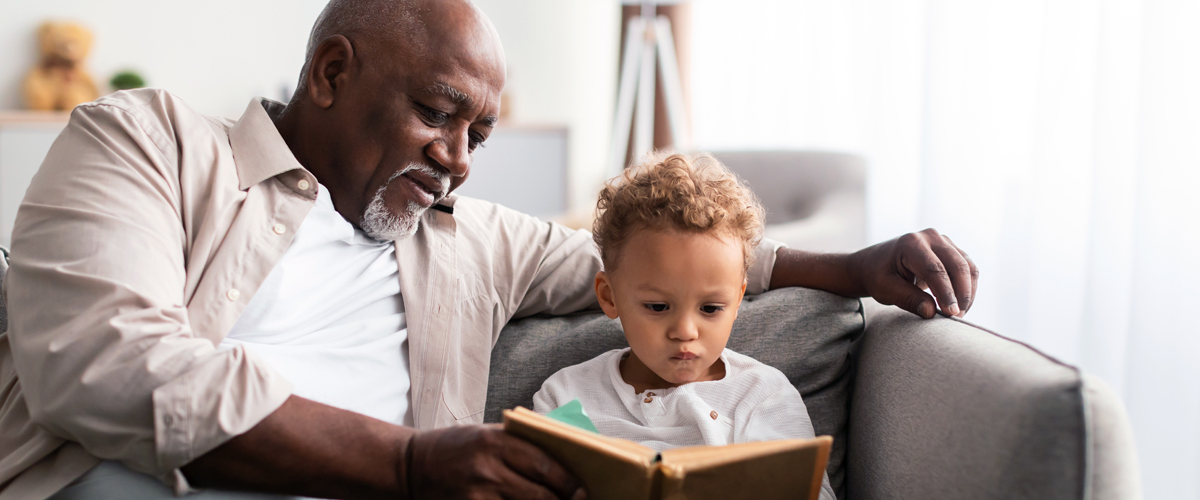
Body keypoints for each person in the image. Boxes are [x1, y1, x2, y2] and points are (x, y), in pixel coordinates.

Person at [0, 0, 978, 499]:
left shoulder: (469, 240)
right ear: (334, 72)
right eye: (439, 115)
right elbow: (106, 366)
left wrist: (847, 268)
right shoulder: (152, 143)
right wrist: (411, 463)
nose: (459, 160)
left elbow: (653, 254)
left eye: (481, 136)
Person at [533, 152, 836, 500]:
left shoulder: (761, 393)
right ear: (609, 296)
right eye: (658, 307)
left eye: (710, 308)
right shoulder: (567, 394)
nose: (685, 331)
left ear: (737, 301)